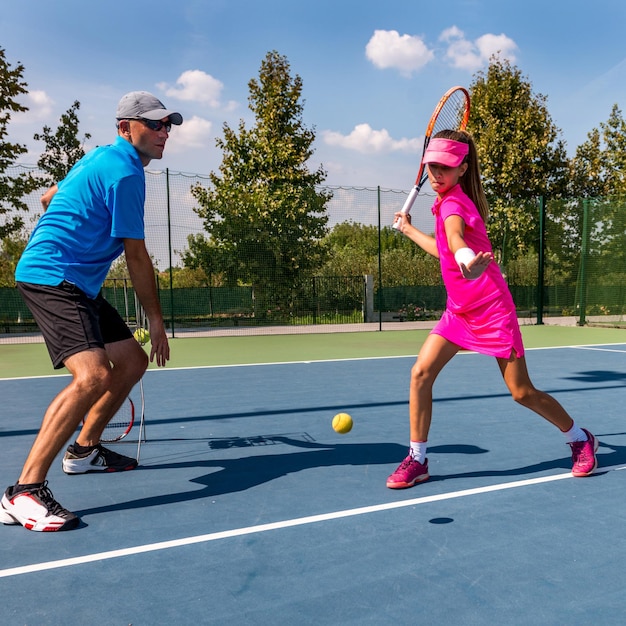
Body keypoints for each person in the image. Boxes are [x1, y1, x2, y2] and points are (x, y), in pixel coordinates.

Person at [0, 91, 183, 531]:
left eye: (168, 125)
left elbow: (49, 196)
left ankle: (84, 450)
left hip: (73, 280)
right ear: (125, 128)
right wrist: (156, 319)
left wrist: (63, 218)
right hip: (52, 276)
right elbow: (136, 256)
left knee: (132, 361)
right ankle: (24, 491)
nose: (164, 133)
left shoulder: (97, 159)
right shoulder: (125, 174)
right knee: (94, 374)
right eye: (154, 125)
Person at [386, 129, 598, 489]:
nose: (437, 173)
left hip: (492, 311)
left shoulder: (455, 204)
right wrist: (409, 230)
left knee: (521, 392)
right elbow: (443, 249)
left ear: (463, 169)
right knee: (420, 374)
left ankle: (580, 437)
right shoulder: (442, 202)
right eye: (432, 166)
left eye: (445, 167)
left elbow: (454, 240)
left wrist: (467, 257)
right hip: (459, 311)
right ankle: (417, 459)